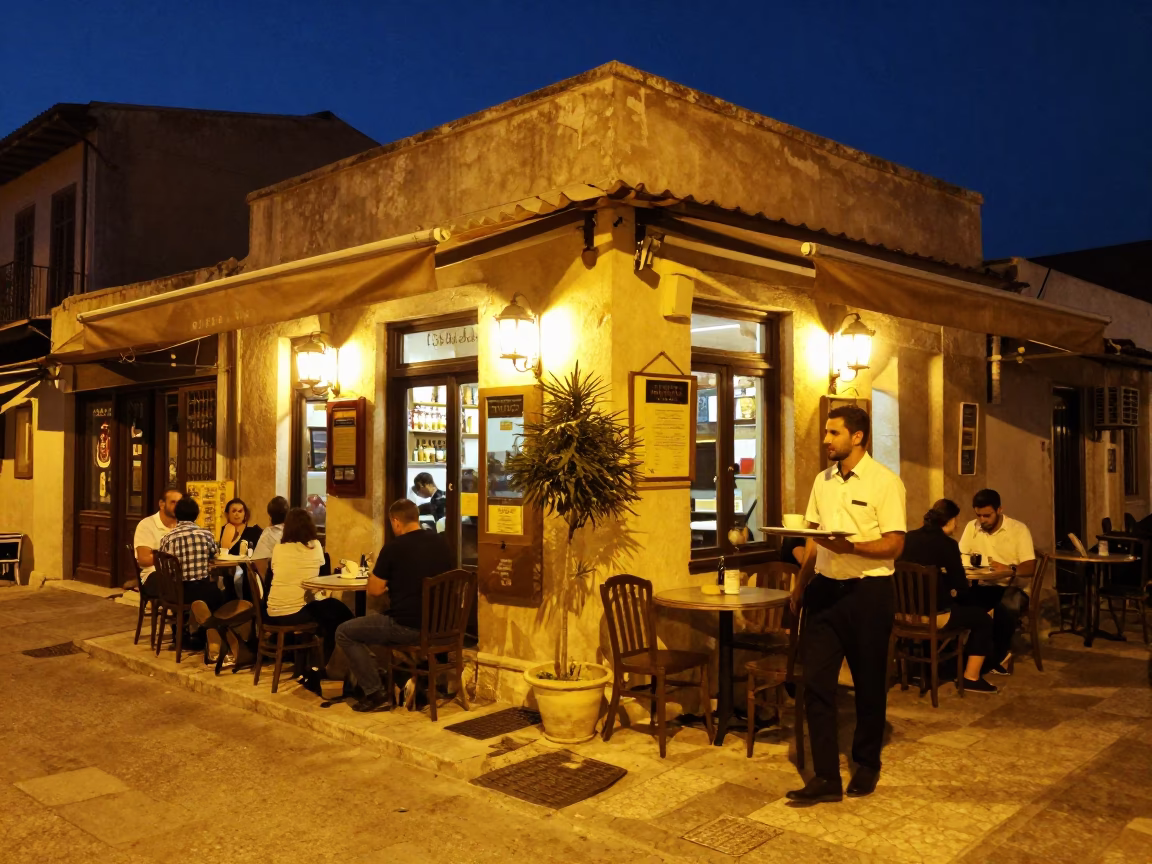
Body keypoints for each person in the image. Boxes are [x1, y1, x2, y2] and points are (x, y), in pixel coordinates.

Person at [787, 405, 906, 804]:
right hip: (825, 589)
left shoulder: (885, 482)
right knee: (815, 683)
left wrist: (851, 545)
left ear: (857, 437)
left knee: (869, 683)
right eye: (826, 432)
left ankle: (866, 763)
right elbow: (812, 538)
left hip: (868, 593)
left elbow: (895, 542)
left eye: (833, 433)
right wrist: (800, 585)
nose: (825, 440)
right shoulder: (822, 481)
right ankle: (824, 777)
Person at [336, 498, 453, 712]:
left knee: (345, 632)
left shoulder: (394, 548)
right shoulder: (441, 543)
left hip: (408, 628)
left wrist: (374, 573)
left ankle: (375, 690)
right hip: (442, 627)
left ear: (396, 522)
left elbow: (375, 590)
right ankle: (392, 676)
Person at [898, 499, 998, 694]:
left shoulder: (907, 538)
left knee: (959, 608)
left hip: (902, 614)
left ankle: (923, 667)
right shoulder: (947, 545)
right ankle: (971, 677)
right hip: (934, 616)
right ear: (951, 520)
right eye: (956, 520)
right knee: (982, 619)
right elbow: (960, 585)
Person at [263, 508, 353, 670]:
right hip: (297, 613)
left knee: (329, 610)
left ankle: (314, 663)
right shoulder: (315, 546)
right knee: (340, 614)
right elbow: (320, 575)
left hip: (273, 612)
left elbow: (276, 571)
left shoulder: (278, 549)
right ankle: (325, 664)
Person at [957, 489, 1035, 675]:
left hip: (1013, 586)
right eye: (979, 515)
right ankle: (971, 656)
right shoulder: (972, 527)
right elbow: (961, 554)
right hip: (984, 584)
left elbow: (1030, 567)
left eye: (987, 515)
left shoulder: (1018, 530)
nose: (982, 520)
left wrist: (1010, 570)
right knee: (960, 604)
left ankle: (998, 657)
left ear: (999, 510)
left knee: (1004, 609)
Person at [159, 496, 226, 610]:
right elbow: (215, 554)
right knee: (220, 592)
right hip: (202, 592)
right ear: (196, 514)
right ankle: (208, 625)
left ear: (176, 514)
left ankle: (181, 625)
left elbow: (163, 568)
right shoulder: (206, 534)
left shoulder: (167, 538)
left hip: (175, 593)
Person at [133, 485, 182, 592]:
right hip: (153, 574)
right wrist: (175, 557)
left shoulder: (183, 525)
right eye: (173, 502)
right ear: (162, 504)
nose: (177, 506)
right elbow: (144, 560)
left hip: (181, 573)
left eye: (179, 503)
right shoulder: (147, 525)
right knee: (174, 584)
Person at [252, 496, 289, 578]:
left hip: (276, 580)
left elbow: (259, 562)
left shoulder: (269, 533)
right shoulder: (293, 532)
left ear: (270, 515)